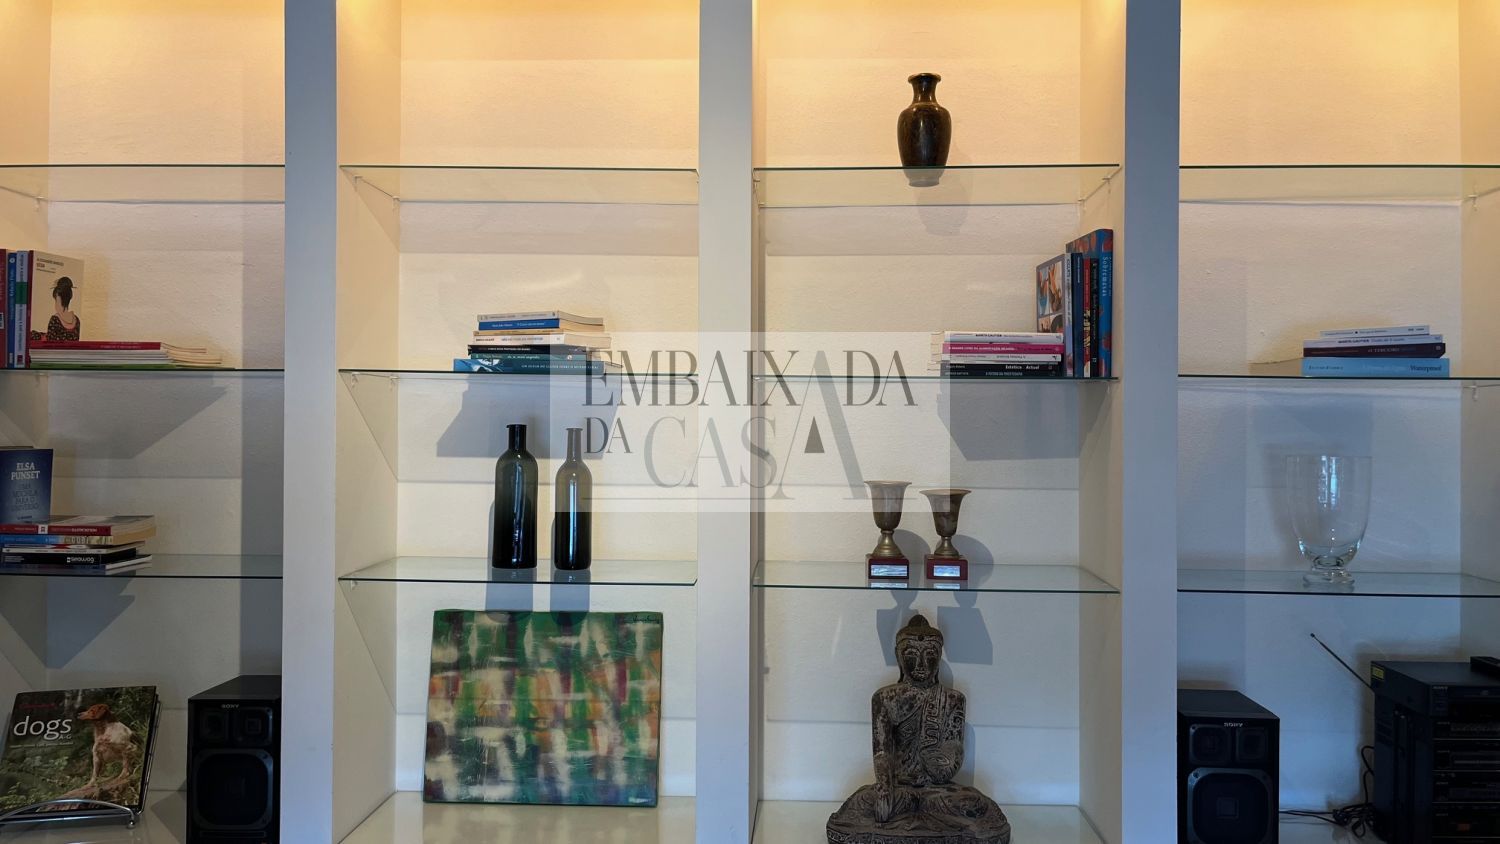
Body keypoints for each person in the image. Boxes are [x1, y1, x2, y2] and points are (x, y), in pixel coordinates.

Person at [826, 614, 1011, 843]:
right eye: (912, 655)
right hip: (898, 791)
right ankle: (933, 826)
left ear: (939, 657)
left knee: (972, 803)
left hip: (936, 792)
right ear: (899, 657)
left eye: (930, 654)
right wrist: (884, 789)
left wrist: (943, 760)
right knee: (864, 802)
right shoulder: (886, 699)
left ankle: (912, 824)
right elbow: (882, 752)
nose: (922, 664)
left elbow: (953, 749)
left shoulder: (952, 700)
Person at [30, 277, 80, 342]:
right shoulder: (77, 320)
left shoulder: (55, 320)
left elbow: (50, 342)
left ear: (58, 299)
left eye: (56, 301)